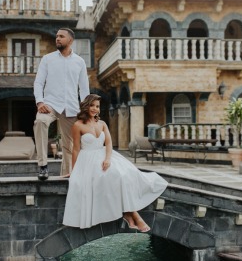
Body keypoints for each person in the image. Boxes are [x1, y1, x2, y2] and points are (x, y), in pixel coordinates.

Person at [63, 94, 168, 231]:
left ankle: (129, 214)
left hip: (103, 155)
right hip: (87, 159)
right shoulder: (78, 125)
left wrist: (107, 158)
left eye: (97, 106)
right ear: (86, 106)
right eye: (92, 105)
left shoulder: (102, 124)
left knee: (124, 174)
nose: (95, 109)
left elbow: (109, 143)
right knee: (109, 177)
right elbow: (76, 149)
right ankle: (134, 216)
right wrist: (74, 171)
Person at [33, 28, 90, 180]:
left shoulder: (79, 62)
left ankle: (67, 173)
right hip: (49, 104)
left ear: (70, 40)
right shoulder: (47, 59)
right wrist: (39, 102)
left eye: (61, 36)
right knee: (40, 122)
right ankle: (43, 166)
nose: (57, 38)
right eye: (57, 36)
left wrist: (87, 111)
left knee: (69, 145)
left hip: (71, 107)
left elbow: (84, 89)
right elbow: (38, 83)